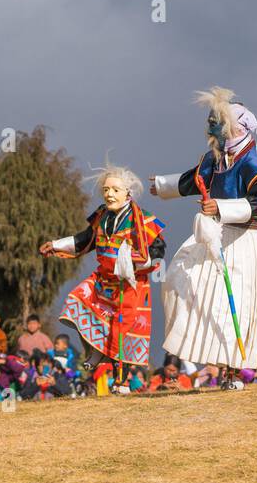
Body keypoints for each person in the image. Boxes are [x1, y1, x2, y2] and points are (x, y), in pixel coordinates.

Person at [150, 87, 257, 383]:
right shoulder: (216, 157)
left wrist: (219, 206)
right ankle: (211, 357)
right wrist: (162, 186)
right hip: (215, 236)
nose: (210, 125)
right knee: (177, 280)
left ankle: (234, 371)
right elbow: (194, 180)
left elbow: (256, 203)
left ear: (235, 125)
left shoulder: (255, 161)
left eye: (216, 119)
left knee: (234, 303)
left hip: (244, 240)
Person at [42, 162, 165, 388]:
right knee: (75, 302)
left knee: (122, 331)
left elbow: (158, 251)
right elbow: (85, 239)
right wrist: (56, 245)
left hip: (128, 284)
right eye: (106, 190)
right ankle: (96, 351)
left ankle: (122, 382)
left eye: (115, 190)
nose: (109, 195)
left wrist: (133, 264)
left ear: (127, 192)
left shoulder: (143, 219)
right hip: (102, 279)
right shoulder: (102, 215)